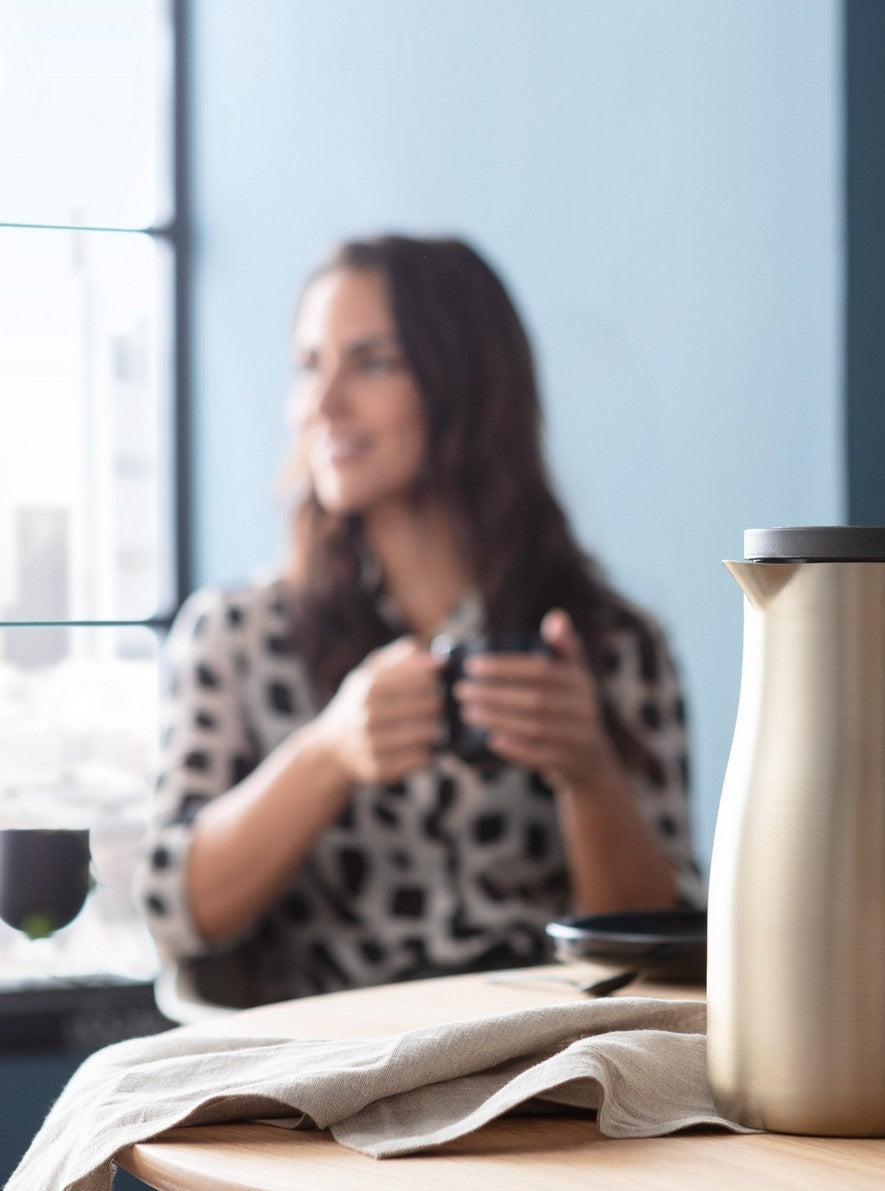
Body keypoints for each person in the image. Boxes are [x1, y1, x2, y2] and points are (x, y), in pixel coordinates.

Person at [135, 234, 702, 1005]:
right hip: (325, 1078)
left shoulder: (616, 645)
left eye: (371, 363)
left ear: (467, 385)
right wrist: (327, 755)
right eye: (308, 365)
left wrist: (588, 770)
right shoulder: (235, 637)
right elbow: (174, 914)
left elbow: (662, 954)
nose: (321, 404)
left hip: (546, 1069)